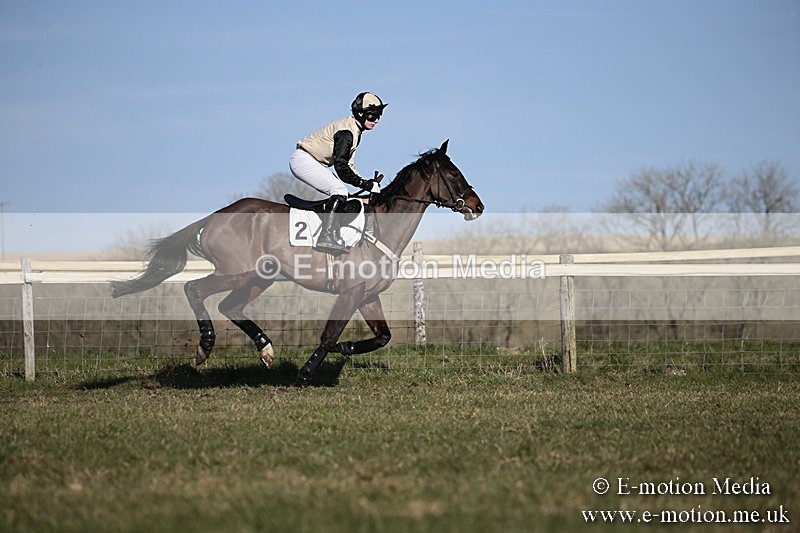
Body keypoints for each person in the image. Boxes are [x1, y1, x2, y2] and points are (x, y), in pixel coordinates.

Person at [289, 92, 387, 254]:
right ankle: (325, 236)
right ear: (360, 114)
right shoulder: (346, 133)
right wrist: (364, 184)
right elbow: (341, 168)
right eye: (372, 116)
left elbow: (349, 165)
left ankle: (332, 233)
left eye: (378, 116)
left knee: (344, 196)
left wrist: (365, 182)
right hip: (304, 160)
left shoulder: (355, 131)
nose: (376, 120)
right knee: (339, 191)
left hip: (312, 161)